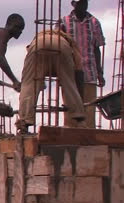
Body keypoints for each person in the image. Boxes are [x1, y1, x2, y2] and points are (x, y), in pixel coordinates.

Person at [16, 30, 86, 133]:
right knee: (69, 83)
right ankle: (79, 119)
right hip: (62, 47)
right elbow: (79, 71)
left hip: (38, 45)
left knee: (29, 84)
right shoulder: (70, 43)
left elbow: (29, 53)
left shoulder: (38, 37)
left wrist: (38, 80)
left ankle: (24, 122)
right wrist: (80, 101)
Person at [60, 0, 106, 128]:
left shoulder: (94, 22)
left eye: (85, 2)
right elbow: (58, 48)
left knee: (89, 108)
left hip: (89, 72)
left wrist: (100, 73)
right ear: (73, 4)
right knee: (71, 108)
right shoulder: (63, 22)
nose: (84, 5)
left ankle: (88, 139)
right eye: (80, 3)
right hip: (70, 73)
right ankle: (71, 138)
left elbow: (97, 49)